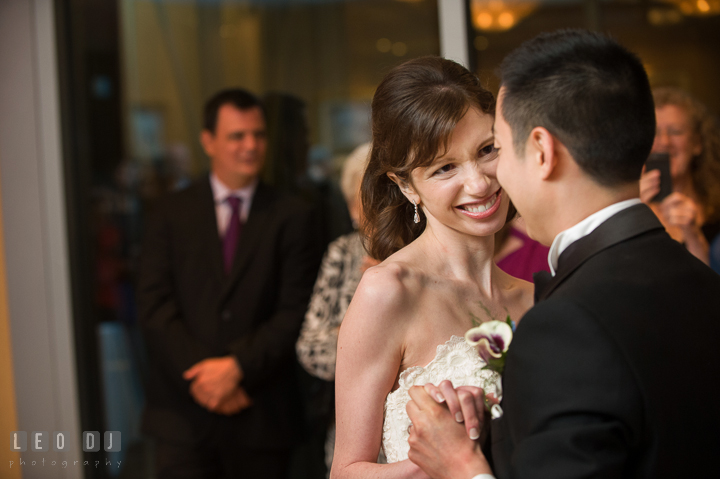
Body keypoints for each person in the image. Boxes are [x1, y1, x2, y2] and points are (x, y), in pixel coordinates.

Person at [404, 30, 720, 479]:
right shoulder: (704, 282)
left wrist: (461, 467)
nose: (493, 177)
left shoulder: (568, 325)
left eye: (496, 146)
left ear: (541, 150)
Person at [330, 56, 534, 479]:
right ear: (406, 185)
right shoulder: (389, 291)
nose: (479, 183)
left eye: (486, 150)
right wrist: (441, 460)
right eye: (445, 168)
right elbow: (345, 472)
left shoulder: (536, 295)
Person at [137, 88, 322, 479]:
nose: (250, 145)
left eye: (259, 135)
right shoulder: (170, 212)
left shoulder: (294, 215)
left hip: (260, 413)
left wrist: (237, 367)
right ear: (208, 141)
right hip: (181, 416)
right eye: (237, 136)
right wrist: (204, 377)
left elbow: (296, 310)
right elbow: (155, 305)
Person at [296, 142, 377, 473]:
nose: (375, 206)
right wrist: (368, 325)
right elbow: (310, 347)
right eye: (363, 196)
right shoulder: (342, 253)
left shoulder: (425, 255)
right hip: (352, 428)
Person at [639, 87, 720, 264]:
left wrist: (694, 237)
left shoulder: (717, 213)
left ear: (697, 143)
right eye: (655, 133)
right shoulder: (626, 204)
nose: (665, 142)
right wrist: (632, 214)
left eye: (676, 132)